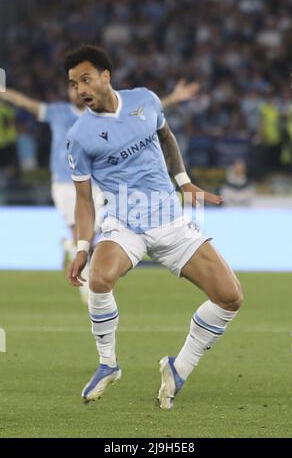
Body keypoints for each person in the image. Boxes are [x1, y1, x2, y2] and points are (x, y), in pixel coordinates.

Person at [64, 45, 243, 409]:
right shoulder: (79, 136)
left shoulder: (145, 101)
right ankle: (108, 363)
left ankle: (178, 370)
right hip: (125, 224)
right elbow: (83, 201)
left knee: (230, 296)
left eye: (85, 79)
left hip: (172, 222)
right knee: (99, 278)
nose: (79, 89)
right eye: (72, 83)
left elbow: (165, 136)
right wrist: (83, 247)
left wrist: (184, 181)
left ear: (105, 76)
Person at [0, 79, 198, 302]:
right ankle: (85, 282)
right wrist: (3, 91)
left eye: (79, 86)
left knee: (88, 234)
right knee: (78, 229)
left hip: (94, 183)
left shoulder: (98, 116)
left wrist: (173, 98)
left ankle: (73, 252)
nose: (76, 91)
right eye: (72, 87)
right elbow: (25, 103)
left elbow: (141, 109)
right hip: (64, 183)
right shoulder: (58, 112)